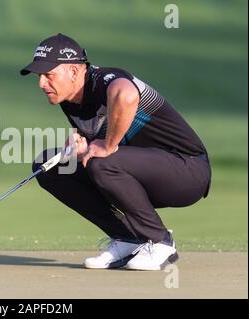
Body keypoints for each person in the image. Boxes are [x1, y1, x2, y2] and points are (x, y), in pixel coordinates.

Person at [19, 33, 212, 271]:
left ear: (74, 71)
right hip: (141, 174)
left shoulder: (103, 79)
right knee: (49, 165)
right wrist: (83, 149)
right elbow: (100, 145)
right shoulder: (68, 99)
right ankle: (128, 239)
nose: (41, 83)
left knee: (104, 163)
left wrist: (107, 145)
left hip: (188, 171)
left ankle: (161, 242)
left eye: (49, 75)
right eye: (40, 76)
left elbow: (126, 95)